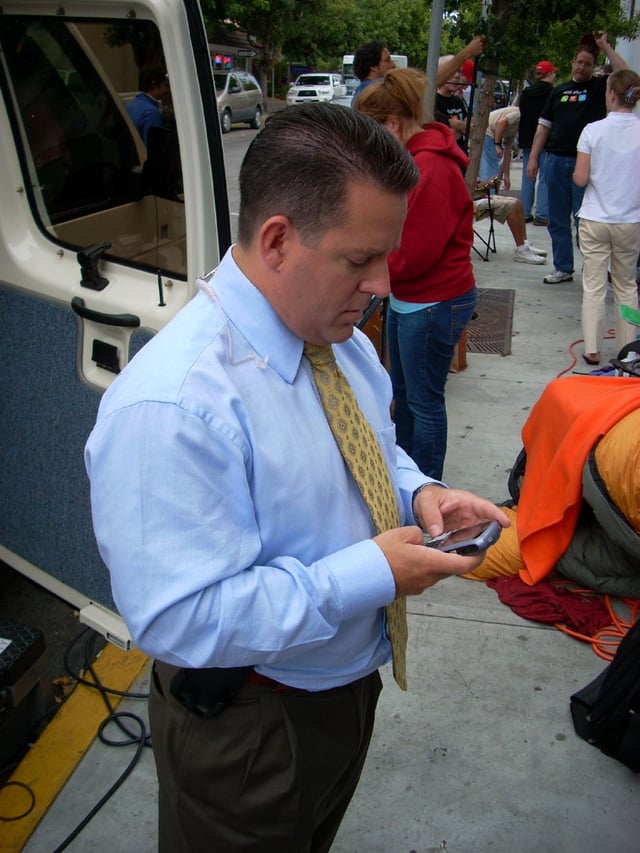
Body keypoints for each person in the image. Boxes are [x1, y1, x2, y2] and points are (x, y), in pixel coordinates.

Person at [84, 104, 509, 853]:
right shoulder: (176, 403)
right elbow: (178, 618)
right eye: (359, 259)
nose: (383, 281)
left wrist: (421, 493)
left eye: (387, 255)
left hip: (340, 686)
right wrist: (368, 573)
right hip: (249, 724)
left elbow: (374, 450)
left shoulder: (336, 337)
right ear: (278, 239)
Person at [354, 68, 476, 480]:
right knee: (403, 396)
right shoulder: (415, 161)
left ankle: (425, 491)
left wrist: (362, 264)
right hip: (414, 298)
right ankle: (406, 479)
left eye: (372, 135)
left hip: (432, 300)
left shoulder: (430, 168)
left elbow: (414, 254)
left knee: (423, 403)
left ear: (392, 124)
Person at [526, 32, 628, 284]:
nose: (582, 67)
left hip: (587, 163)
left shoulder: (598, 88)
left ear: (593, 67)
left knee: (586, 220)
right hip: (555, 162)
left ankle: (595, 268)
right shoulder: (558, 91)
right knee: (557, 219)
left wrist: (604, 47)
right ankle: (563, 267)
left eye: (588, 64)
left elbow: (625, 75)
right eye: (579, 62)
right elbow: (543, 128)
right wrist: (533, 159)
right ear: (572, 63)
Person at [573, 69, 640, 365]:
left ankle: (591, 347)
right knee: (626, 285)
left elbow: (580, 178)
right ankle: (629, 348)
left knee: (594, 283)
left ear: (611, 94)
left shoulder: (592, 130)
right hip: (630, 219)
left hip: (596, 217)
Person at [518, 60, 558, 225]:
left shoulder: (527, 93)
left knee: (528, 175)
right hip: (546, 139)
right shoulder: (553, 93)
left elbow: (522, 112)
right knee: (545, 178)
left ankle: (525, 212)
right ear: (549, 74)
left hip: (527, 137)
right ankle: (542, 214)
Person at [125, 64, 169, 145]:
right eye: (165, 85)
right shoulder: (152, 113)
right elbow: (154, 149)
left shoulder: (129, 106)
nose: (167, 90)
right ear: (154, 84)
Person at [351, 41, 395, 105]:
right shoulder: (384, 89)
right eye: (387, 60)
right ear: (373, 67)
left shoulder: (358, 94)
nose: (393, 64)